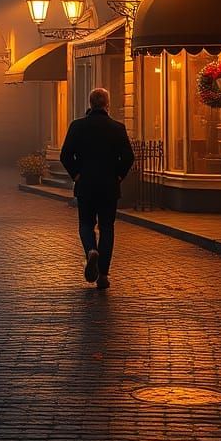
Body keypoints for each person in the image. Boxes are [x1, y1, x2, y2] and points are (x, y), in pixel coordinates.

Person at [59, 87, 134, 291]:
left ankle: (91, 250)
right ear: (107, 104)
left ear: (90, 104)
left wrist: (76, 174)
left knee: (86, 224)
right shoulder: (117, 128)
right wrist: (118, 175)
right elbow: (128, 157)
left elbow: (65, 155)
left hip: (86, 185)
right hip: (109, 185)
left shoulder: (77, 126)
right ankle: (103, 274)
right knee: (107, 228)